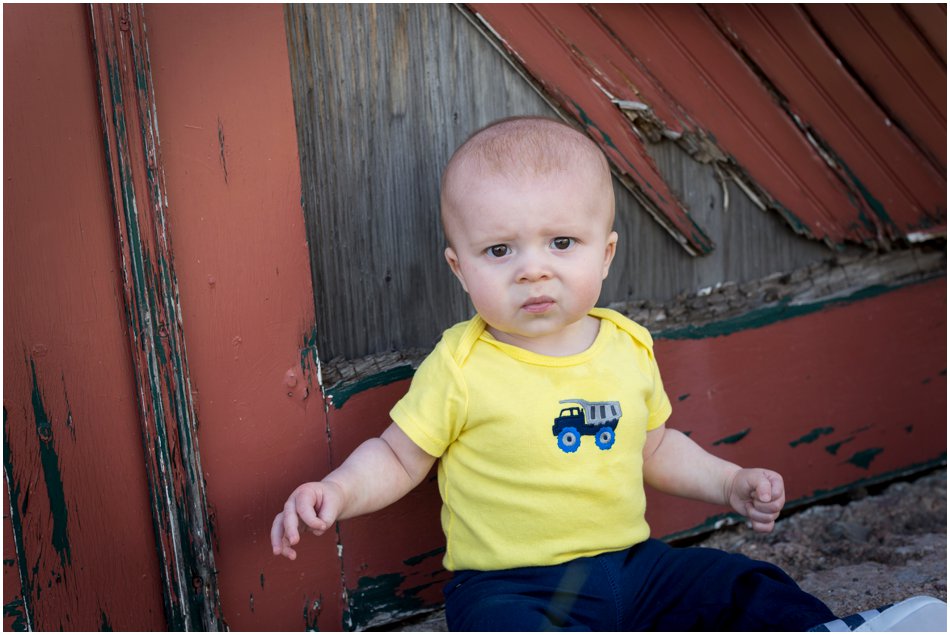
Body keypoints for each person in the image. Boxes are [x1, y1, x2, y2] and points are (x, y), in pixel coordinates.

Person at [271, 116, 945, 631]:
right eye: (500, 250)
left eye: (562, 243)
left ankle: (826, 626)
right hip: (513, 585)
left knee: (735, 582)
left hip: (633, 566)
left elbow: (654, 444)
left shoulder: (626, 346)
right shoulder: (462, 362)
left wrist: (729, 481)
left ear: (606, 252)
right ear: (460, 268)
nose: (533, 269)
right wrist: (336, 491)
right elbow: (397, 453)